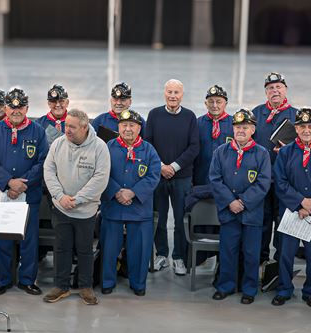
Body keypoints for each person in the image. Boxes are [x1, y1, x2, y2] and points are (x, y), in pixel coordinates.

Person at [0, 87, 49, 296]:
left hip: (29, 195)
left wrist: (23, 184)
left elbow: (43, 161)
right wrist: (8, 183)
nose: (16, 110)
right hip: (4, 194)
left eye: (20, 107)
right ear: (6, 108)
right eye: (12, 107)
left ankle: (27, 280)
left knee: (29, 241)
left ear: (27, 108)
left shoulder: (38, 131)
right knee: (3, 239)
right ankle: (4, 280)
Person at [43, 109, 110, 305]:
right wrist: (60, 196)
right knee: (61, 248)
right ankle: (61, 286)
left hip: (86, 211)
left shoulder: (99, 147)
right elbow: (49, 170)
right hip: (61, 207)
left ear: (84, 127)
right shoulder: (58, 144)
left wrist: (78, 199)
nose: (67, 130)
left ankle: (85, 287)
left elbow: (100, 178)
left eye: (71, 127)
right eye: (65, 126)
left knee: (85, 250)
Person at [272, 107, 311, 308]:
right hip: (291, 211)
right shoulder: (286, 152)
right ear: (296, 129)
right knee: (286, 254)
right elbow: (280, 182)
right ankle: (284, 289)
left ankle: (310, 292)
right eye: (302, 126)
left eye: (310, 126)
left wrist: (310, 205)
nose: (306, 130)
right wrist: (300, 202)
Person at [209, 109, 271, 304]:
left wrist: (243, 202)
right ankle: (225, 286)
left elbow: (263, 182)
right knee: (228, 251)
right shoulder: (221, 152)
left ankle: (249, 289)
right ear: (233, 129)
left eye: (245, 127)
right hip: (229, 212)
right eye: (237, 127)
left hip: (251, 213)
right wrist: (230, 202)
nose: (241, 131)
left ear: (253, 129)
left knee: (251, 253)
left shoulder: (262, 154)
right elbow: (215, 179)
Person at [99, 109, 161, 296]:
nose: (128, 129)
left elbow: (153, 175)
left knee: (139, 250)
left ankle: (138, 284)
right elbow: (101, 172)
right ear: (118, 127)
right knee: (109, 248)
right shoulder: (108, 147)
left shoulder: (149, 150)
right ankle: (107, 282)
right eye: (124, 125)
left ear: (139, 128)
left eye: (132, 125)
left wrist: (133, 193)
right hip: (113, 205)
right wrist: (116, 192)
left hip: (139, 209)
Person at [143, 79, 199, 275]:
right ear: (164, 93)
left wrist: (173, 167)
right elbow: (147, 144)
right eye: (170, 92)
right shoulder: (154, 115)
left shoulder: (190, 117)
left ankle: (178, 257)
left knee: (180, 218)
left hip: (181, 176)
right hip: (157, 177)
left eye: (176, 92)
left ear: (182, 95)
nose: (173, 96)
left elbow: (194, 147)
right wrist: (160, 167)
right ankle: (161, 254)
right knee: (158, 217)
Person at [251, 72, 298, 267]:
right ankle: (260, 259)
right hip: (262, 179)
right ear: (266, 92)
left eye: (278, 87)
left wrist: (287, 150)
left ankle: (280, 261)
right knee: (262, 220)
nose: (275, 91)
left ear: (285, 89)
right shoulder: (256, 112)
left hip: (285, 180)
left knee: (282, 221)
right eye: (271, 88)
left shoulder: (296, 115)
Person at [193, 85, 233, 186]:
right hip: (201, 179)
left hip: (227, 181)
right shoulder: (197, 124)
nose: (214, 105)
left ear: (226, 103)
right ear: (205, 104)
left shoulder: (235, 125)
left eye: (218, 101)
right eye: (211, 101)